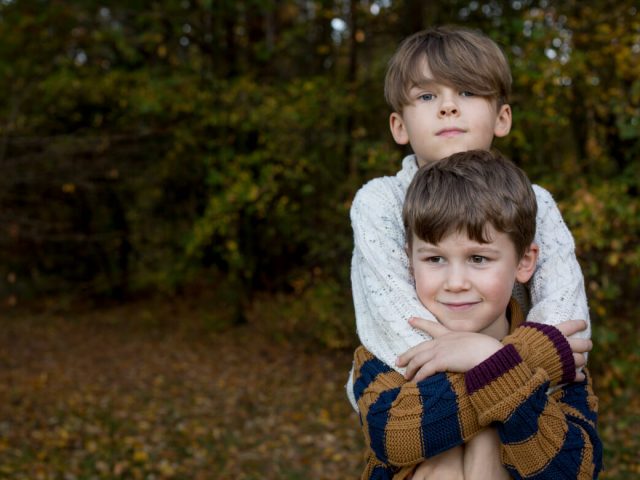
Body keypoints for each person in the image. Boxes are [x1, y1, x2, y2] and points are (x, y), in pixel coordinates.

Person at [345, 25, 594, 477]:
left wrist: (491, 358)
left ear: (502, 118)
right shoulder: (381, 200)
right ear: (398, 127)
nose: (447, 105)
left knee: (488, 444)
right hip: (414, 390)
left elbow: (568, 318)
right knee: (440, 459)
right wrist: (498, 358)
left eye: (466, 90)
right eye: (426, 96)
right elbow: (401, 334)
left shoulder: (532, 202)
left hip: (494, 364)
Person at [352, 150, 602, 479]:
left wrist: (491, 359)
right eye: (435, 259)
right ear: (409, 260)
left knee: (483, 443)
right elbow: (395, 438)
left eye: (479, 259)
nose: (455, 283)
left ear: (524, 262)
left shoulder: (564, 352)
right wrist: (513, 363)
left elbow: (577, 471)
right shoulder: (385, 352)